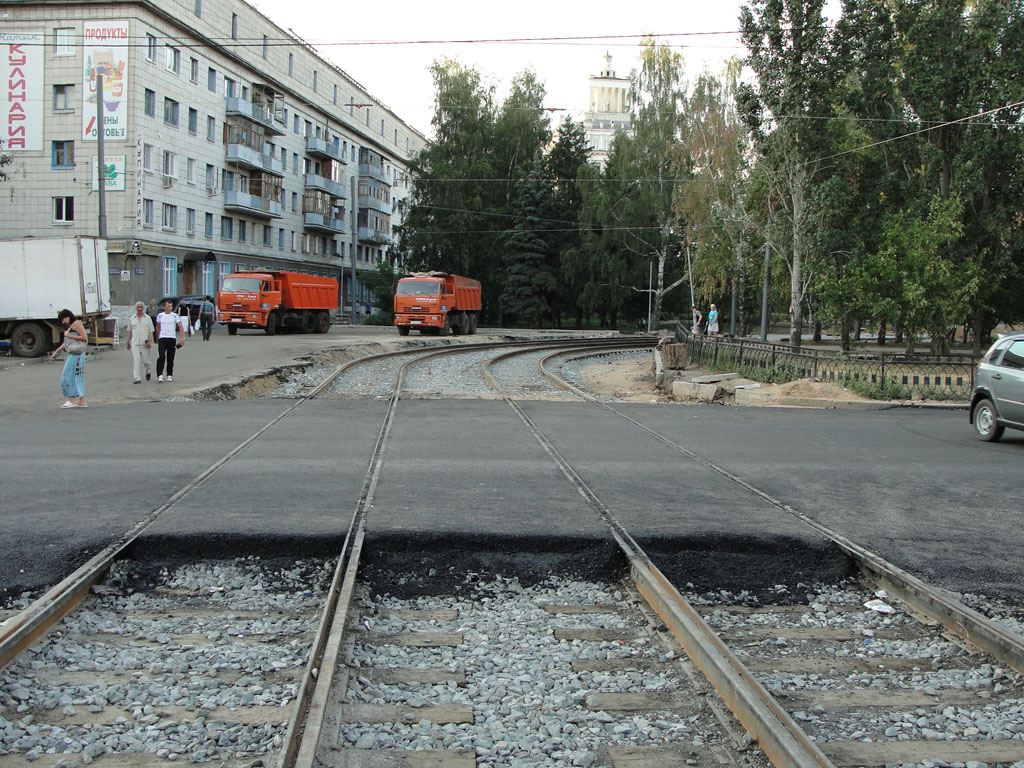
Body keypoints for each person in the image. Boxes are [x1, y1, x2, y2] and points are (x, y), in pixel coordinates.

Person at [49, 308, 88, 408]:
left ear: (67, 317)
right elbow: (66, 343)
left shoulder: (76, 324)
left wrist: (70, 335)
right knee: (74, 376)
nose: (63, 322)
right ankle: (80, 401)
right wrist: (57, 351)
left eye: (63, 319)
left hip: (77, 353)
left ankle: (72, 400)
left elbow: (84, 337)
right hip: (72, 353)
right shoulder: (71, 326)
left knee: (70, 376)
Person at [155, 299, 186, 382]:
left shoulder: (175, 316)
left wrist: (182, 338)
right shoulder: (160, 315)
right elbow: (158, 326)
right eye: (168, 306)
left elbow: (180, 326)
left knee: (170, 357)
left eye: (171, 306)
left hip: (171, 338)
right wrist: (157, 337)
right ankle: (159, 374)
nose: (170, 308)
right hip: (162, 338)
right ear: (165, 307)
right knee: (161, 356)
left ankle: (169, 374)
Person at [126, 301, 154, 383]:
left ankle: (148, 371)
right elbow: (130, 331)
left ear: (143, 308)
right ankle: (137, 378)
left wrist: (150, 341)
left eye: (141, 307)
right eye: (138, 307)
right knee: (136, 360)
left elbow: (151, 331)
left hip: (145, 343)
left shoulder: (148, 318)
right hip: (135, 343)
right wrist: (128, 341)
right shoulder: (132, 318)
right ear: (136, 308)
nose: (140, 309)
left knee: (146, 361)